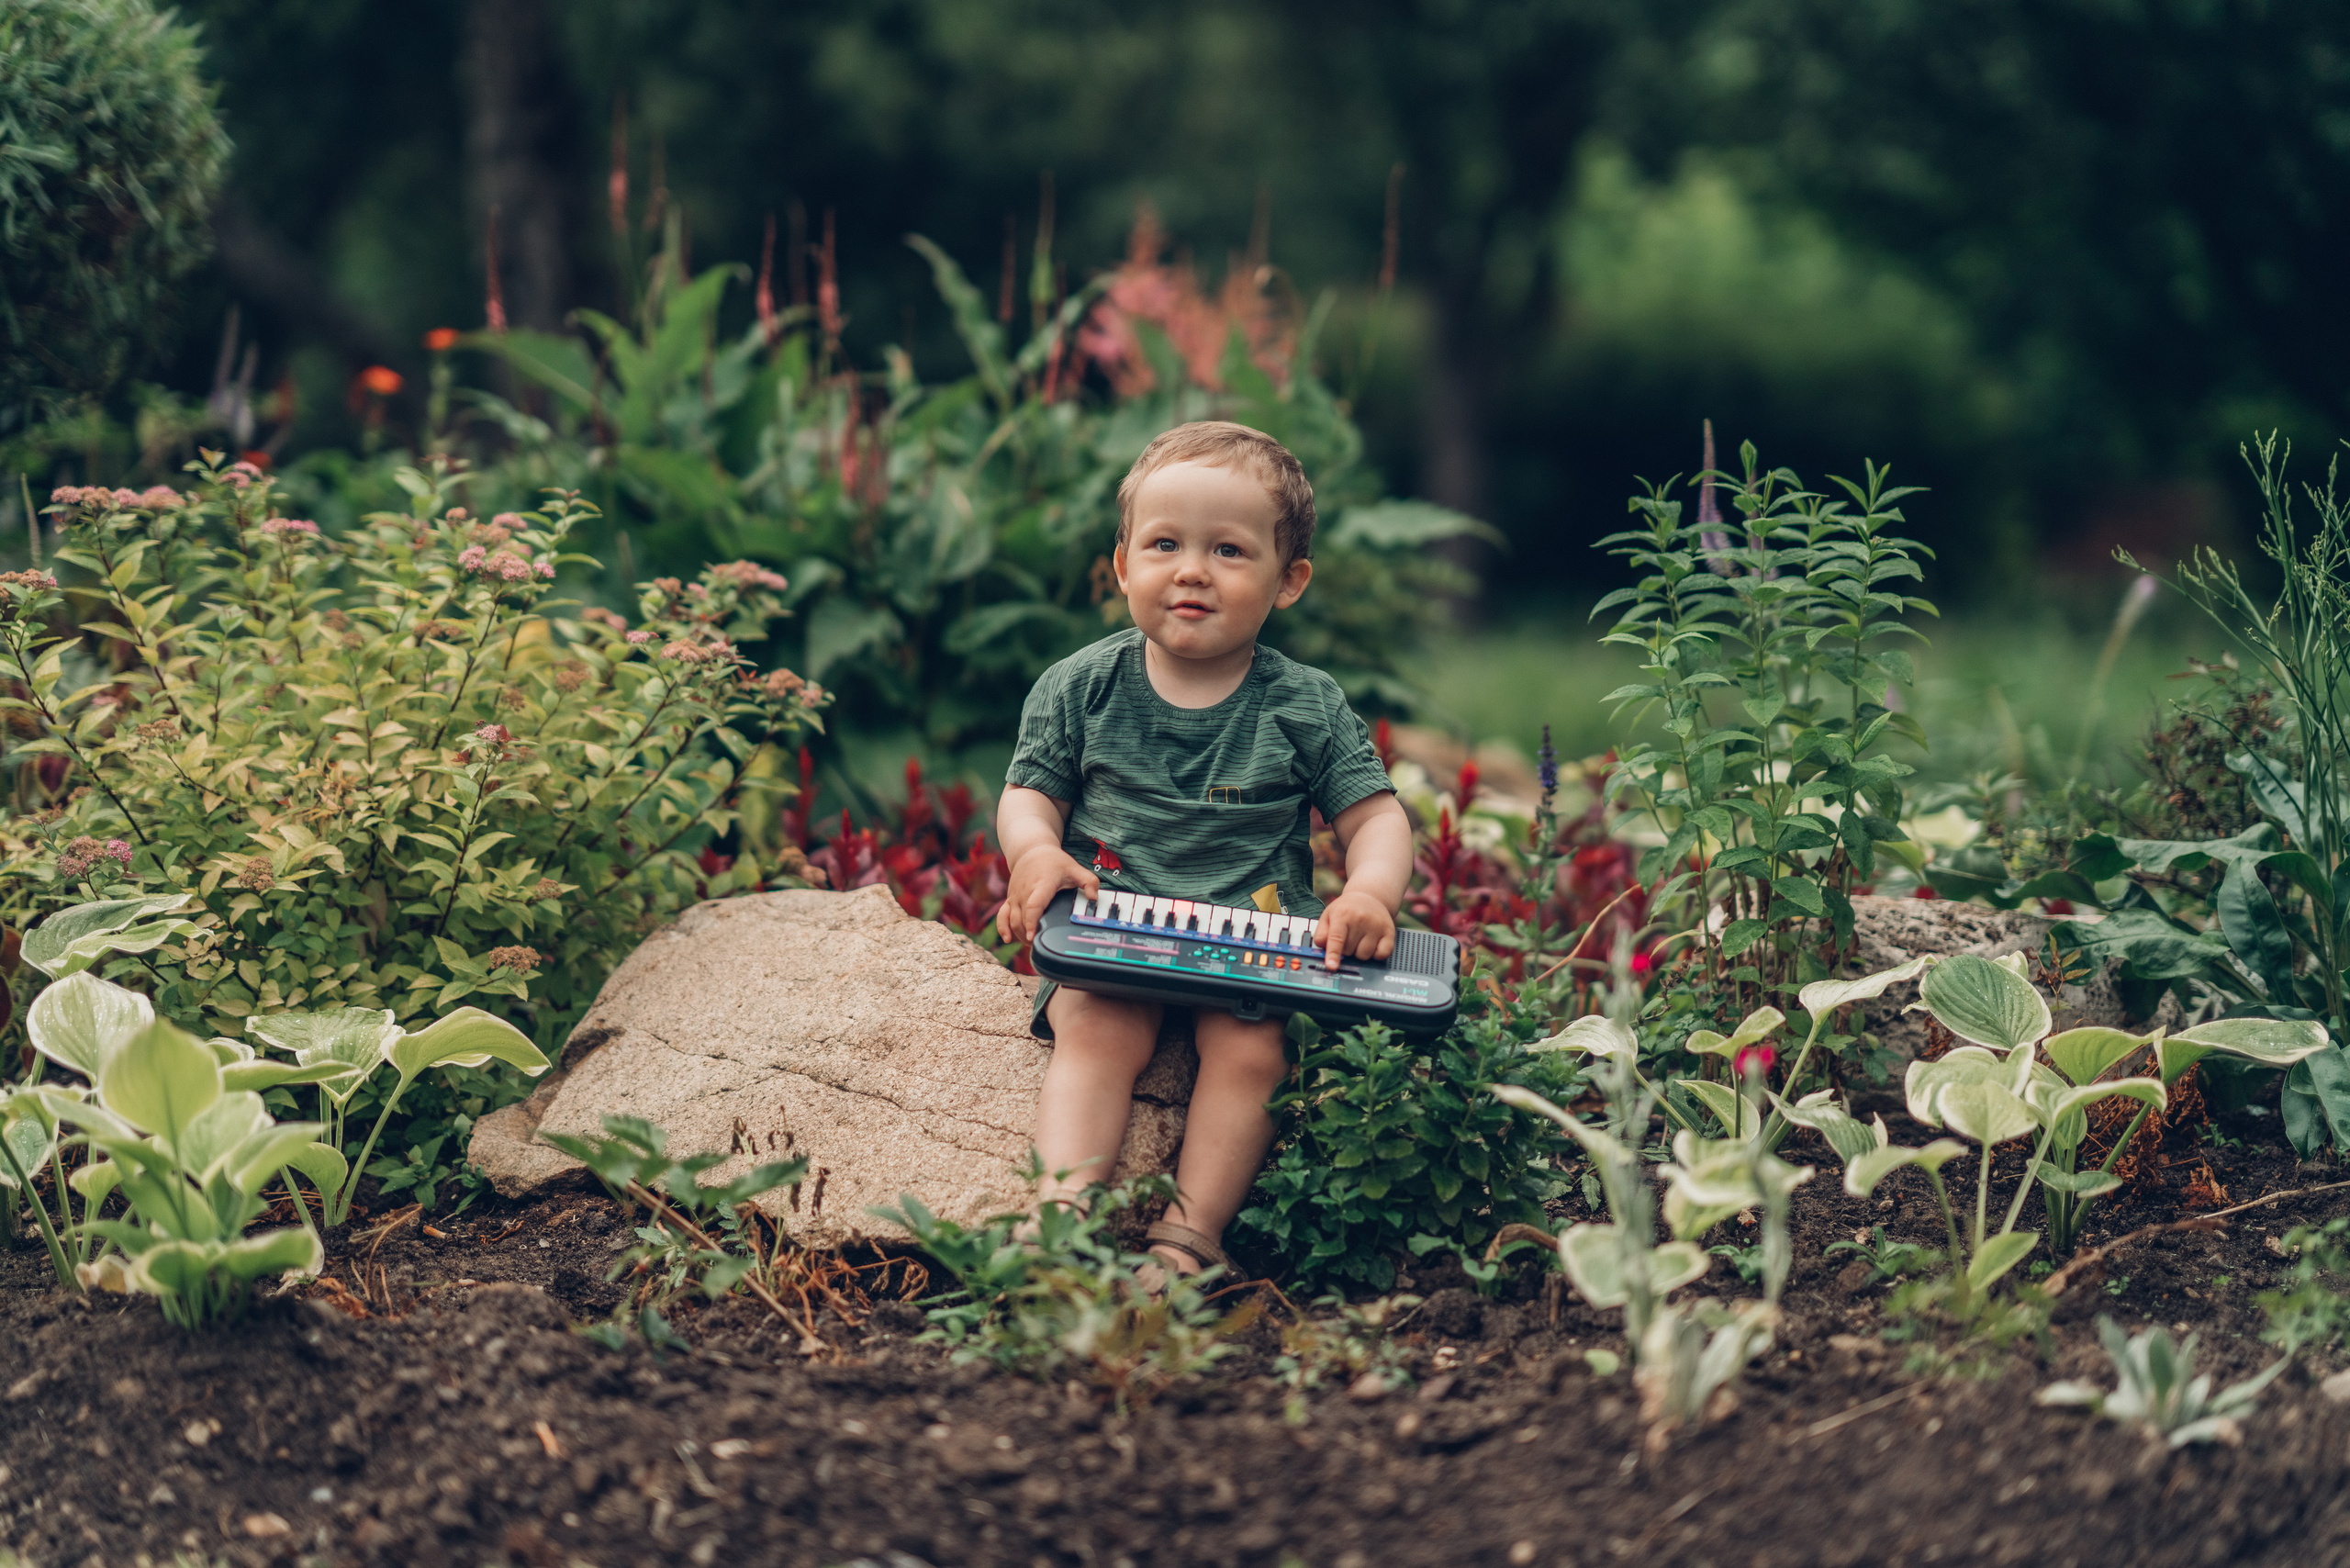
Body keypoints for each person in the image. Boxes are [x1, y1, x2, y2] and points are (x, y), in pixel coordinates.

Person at [993, 420, 1415, 1285]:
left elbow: (1374, 819)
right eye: (1164, 544)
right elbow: (1030, 794)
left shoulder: (1304, 705)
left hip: (1253, 937)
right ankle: (1060, 1223)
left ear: (1286, 580)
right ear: (1121, 565)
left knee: (1253, 1052)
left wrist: (1369, 893)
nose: (1191, 570)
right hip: (1116, 920)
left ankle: (1190, 1236)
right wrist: (1034, 852)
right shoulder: (1082, 686)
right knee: (1100, 1032)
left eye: (1228, 549)